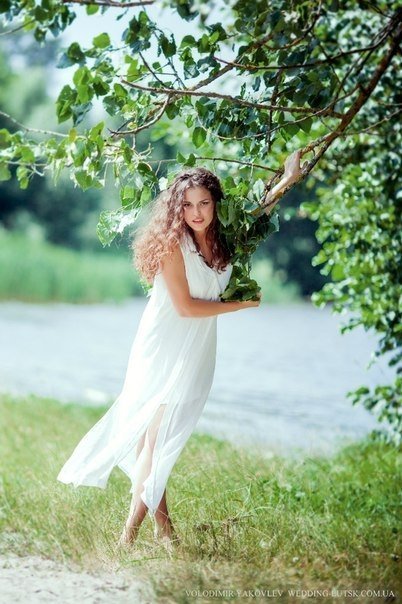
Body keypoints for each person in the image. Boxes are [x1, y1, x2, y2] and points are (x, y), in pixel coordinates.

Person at [57, 151, 302, 550]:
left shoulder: (223, 238)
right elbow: (186, 308)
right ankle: (127, 538)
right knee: (156, 441)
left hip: (197, 347)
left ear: (215, 203)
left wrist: (288, 179)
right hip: (163, 347)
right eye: (187, 205)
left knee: (154, 443)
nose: (196, 212)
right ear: (177, 208)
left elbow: (259, 214)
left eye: (204, 203)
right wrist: (240, 305)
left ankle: (165, 531)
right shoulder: (173, 245)